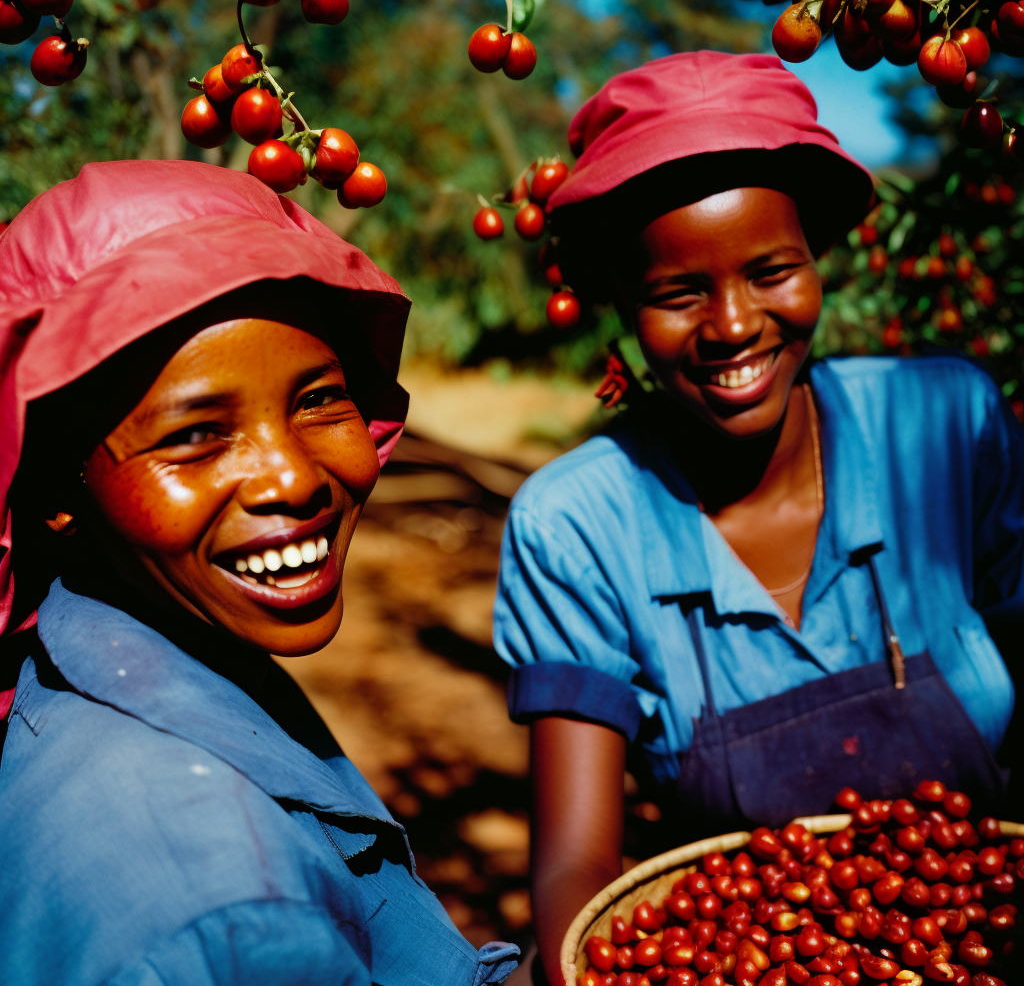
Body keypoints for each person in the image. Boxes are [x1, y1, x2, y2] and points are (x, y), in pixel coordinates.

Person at [491, 51, 1023, 985]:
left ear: (817, 259)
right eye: (676, 293)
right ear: (623, 304)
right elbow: (578, 870)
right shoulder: (577, 525)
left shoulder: (946, 426)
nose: (733, 325)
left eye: (771, 269)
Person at [0, 160, 519, 986]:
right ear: (57, 488)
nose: (294, 478)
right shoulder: (225, 911)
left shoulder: (165, 649)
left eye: (318, 401)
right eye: (196, 435)